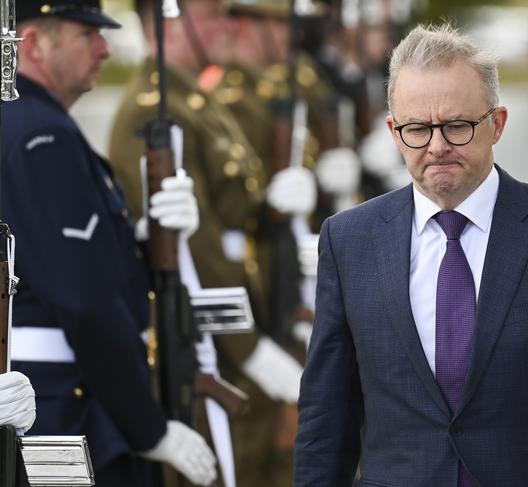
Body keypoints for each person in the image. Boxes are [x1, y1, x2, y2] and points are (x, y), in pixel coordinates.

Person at [294, 23, 528, 486]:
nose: (437, 147)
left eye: (457, 126)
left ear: (497, 123)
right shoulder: (348, 241)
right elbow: (326, 421)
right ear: (393, 132)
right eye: (418, 128)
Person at [2, 1, 217, 485]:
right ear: (33, 43)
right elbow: (83, 300)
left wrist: (140, 242)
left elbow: (64, 264)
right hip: (69, 407)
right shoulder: (40, 135)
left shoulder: (34, 124)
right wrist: (147, 425)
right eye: (86, 36)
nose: (104, 49)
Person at [108, 1, 307, 485]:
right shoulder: (151, 110)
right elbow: (193, 247)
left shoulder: (198, 100)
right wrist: (247, 345)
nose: (229, 25)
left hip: (245, 309)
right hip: (206, 339)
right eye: (215, 12)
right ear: (171, 17)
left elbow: (235, 218)